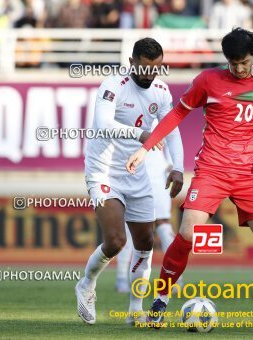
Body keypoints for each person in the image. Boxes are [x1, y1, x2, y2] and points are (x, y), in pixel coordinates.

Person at [126, 27, 253, 335]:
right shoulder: (208, 81)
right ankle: (159, 302)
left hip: (251, 174)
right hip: (212, 169)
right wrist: (145, 148)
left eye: (244, 62)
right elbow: (176, 115)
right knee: (189, 229)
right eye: (232, 62)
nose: (238, 68)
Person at [75, 37, 184, 325]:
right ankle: (86, 284)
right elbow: (103, 124)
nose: (150, 74)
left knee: (146, 242)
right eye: (145, 67)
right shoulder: (113, 86)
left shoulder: (160, 91)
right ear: (132, 62)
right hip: (104, 171)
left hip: (137, 172)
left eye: (156, 68)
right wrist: (141, 135)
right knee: (115, 240)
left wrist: (178, 167)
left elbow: (170, 129)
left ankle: (135, 311)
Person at [115, 135, 184, 325]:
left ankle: (175, 278)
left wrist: (171, 163)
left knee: (161, 223)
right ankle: (123, 277)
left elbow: (172, 136)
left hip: (154, 173)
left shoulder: (161, 108)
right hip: (135, 171)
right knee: (137, 225)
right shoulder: (123, 108)